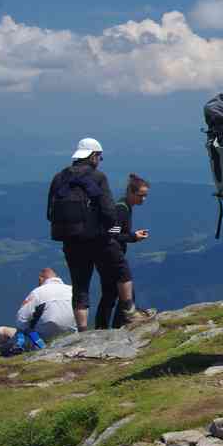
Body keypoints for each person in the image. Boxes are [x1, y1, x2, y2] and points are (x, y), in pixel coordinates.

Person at [47, 138, 138, 332]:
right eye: (100, 157)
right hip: (98, 238)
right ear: (94, 156)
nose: (100, 160)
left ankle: (82, 331)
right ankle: (130, 313)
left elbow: (49, 213)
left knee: (80, 286)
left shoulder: (58, 178)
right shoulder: (98, 177)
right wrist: (111, 229)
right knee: (122, 271)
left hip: (70, 240)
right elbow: (108, 211)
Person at [96, 174, 151, 329]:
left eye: (145, 196)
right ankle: (121, 324)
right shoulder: (121, 209)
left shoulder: (124, 206)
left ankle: (102, 327)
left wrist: (133, 236)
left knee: (109, 294)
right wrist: (134, 236)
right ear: (131, 192)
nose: (143, 199)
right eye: (141, 195)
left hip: (102, 255)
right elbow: (113, 235)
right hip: (111, 254)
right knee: (126, 291)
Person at [0, 268, 76, 346]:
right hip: (71, 337)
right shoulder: (72, 290)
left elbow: (21, 320)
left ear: (41, 279)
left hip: (43, 340)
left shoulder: (37, 292)